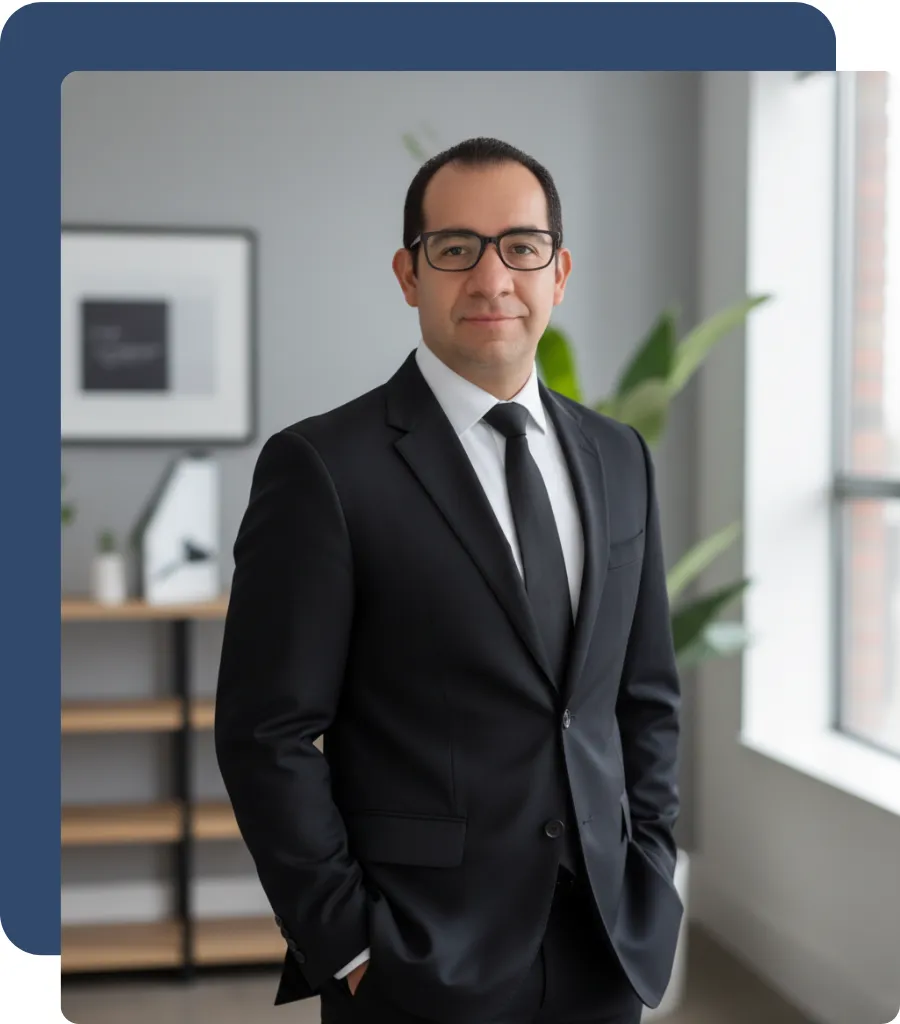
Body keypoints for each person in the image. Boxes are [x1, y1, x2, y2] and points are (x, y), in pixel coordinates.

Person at [214, 136, 684, 1024]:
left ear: (559, 270)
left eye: (521, 246)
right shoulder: (322, 467)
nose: (492, 277)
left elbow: (645, 694)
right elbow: (264, 732)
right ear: (409, 273)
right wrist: (349, 944)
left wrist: (650, 863)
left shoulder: (621, 457)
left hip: (602, 940)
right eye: (456, 248)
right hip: (417, 955)